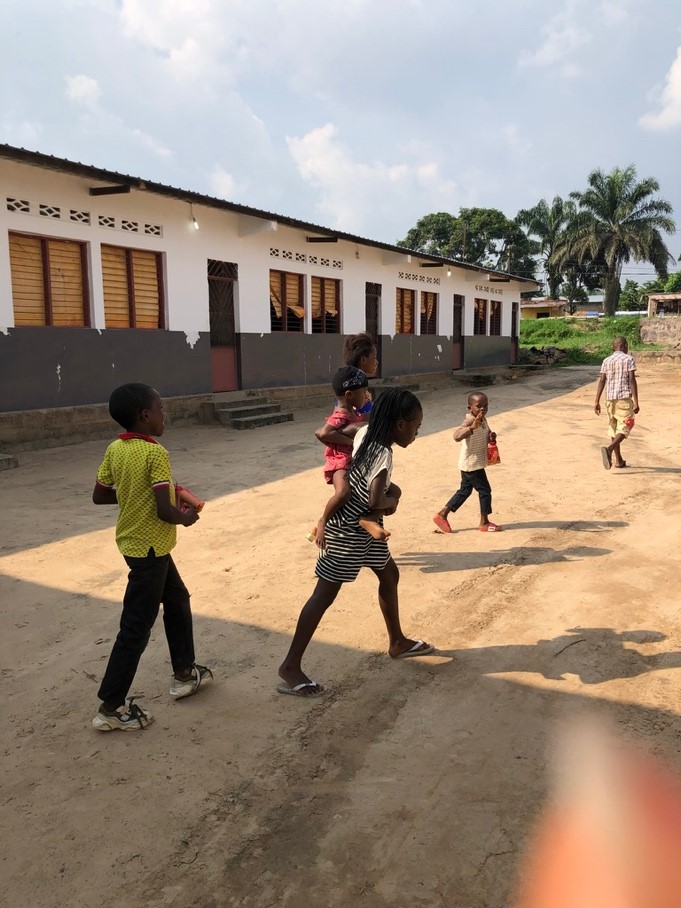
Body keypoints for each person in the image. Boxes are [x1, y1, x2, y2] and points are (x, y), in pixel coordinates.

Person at [279, 388, 434, 697]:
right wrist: (394, 500)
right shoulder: (384, 454)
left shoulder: (364, 434)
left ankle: (397, 642)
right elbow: (376, 498)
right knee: (324, 594)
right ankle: (290, 666)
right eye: (416, 427)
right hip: (349, 528)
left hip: (365, 524)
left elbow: (343, 432)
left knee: (389, 574)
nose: (417, 433)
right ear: (400, 425)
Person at [91, 383, 212, 731]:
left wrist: (134, 494)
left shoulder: (115, 449)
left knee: (177, 599)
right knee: (136, 627)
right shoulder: (155, 453)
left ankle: (184, 673)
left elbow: (100, 495)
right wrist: (186, 518)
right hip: (150, 549)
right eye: (161, 409)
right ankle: (110, 707)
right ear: (145, 416)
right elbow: (163, 510)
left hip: (140, 546)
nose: (164, 415)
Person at [310, 366, 389, 549]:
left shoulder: (353, 412)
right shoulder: (341, 414)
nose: (366, 395)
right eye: (363, 391)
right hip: (340, 463)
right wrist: (353, 443)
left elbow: (366, 421)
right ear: (349, 394)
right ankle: (323, 521)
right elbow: (323, 433)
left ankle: (369, 520)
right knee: (343, 493)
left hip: (353, 462)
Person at [433, 391, 502, 533]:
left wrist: (491, 437)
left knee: (464, 491)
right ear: (470, 408)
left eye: (485, 405)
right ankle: (484, 522)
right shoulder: (470, 421)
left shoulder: (483, 420)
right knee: (485, 491)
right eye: (478, 406)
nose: (483, 409)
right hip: (472, 465)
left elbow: (485, 434)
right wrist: (472, 428)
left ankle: (442, 514)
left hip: (471, 463)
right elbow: (456, 436)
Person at [594, 336, 639, 469]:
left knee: (614, 429)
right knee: (627, 425)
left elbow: (602, 381)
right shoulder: (629, 359)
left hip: (609, 400)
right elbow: (632, 380)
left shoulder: (606, 360)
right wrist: (636, 401)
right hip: (623, 398)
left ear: (613, 347)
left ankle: (619, 460)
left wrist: (596, 401)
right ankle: (610, 449)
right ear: (625, 346)